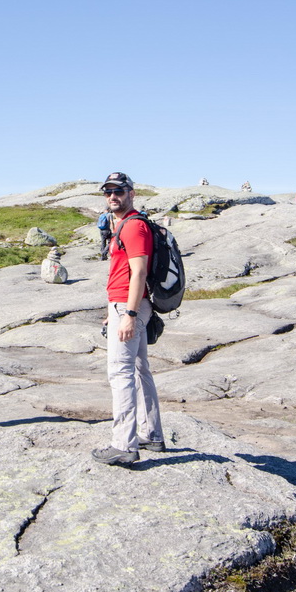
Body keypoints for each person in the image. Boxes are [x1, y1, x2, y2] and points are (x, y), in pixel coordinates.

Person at [92, 172, 165, 467]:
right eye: (108, 191)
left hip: (130, 306)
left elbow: (139, 272)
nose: (113, 196)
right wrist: (115, 313)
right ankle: (152, 434)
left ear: (131, 193)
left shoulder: (133, 226)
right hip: (124, 306)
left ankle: (123, 445)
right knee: (138, 369)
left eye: (119, 191)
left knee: (120, 373)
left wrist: (129, 315)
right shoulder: (126, 224)